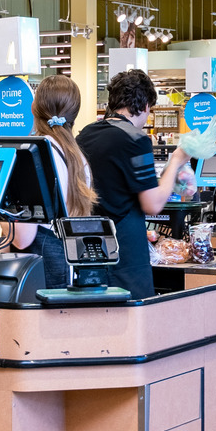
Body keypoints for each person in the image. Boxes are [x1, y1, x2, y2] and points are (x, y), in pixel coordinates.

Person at [77, 70, 193, 299]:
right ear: (147, 106)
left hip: (89, 251)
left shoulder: (85, 134)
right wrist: (177, 161)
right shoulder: (135, 139)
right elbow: (152, 204)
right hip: (125, 255)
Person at [11, 76, 96, 289]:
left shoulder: (32, 154)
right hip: (68, 269)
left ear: (34, 108)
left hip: (38, 273)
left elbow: (23, 239)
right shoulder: (79, 157)